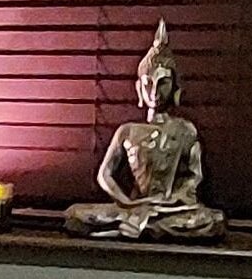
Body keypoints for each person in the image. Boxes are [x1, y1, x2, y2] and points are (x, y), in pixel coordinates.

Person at [65, 21, 224, 239]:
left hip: (167, 209)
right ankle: (139, 227)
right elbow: (105, 174)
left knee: (208, 221)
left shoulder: (185, 130)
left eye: (163, 83)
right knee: (74, 215)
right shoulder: (128, 131)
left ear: (176, 87)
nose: (154, 91)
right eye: (148, 83)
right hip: (132, 206)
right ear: (139, 87)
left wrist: (174, 199)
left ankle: (138, 229)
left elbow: (194, 177)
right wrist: (127, 202)